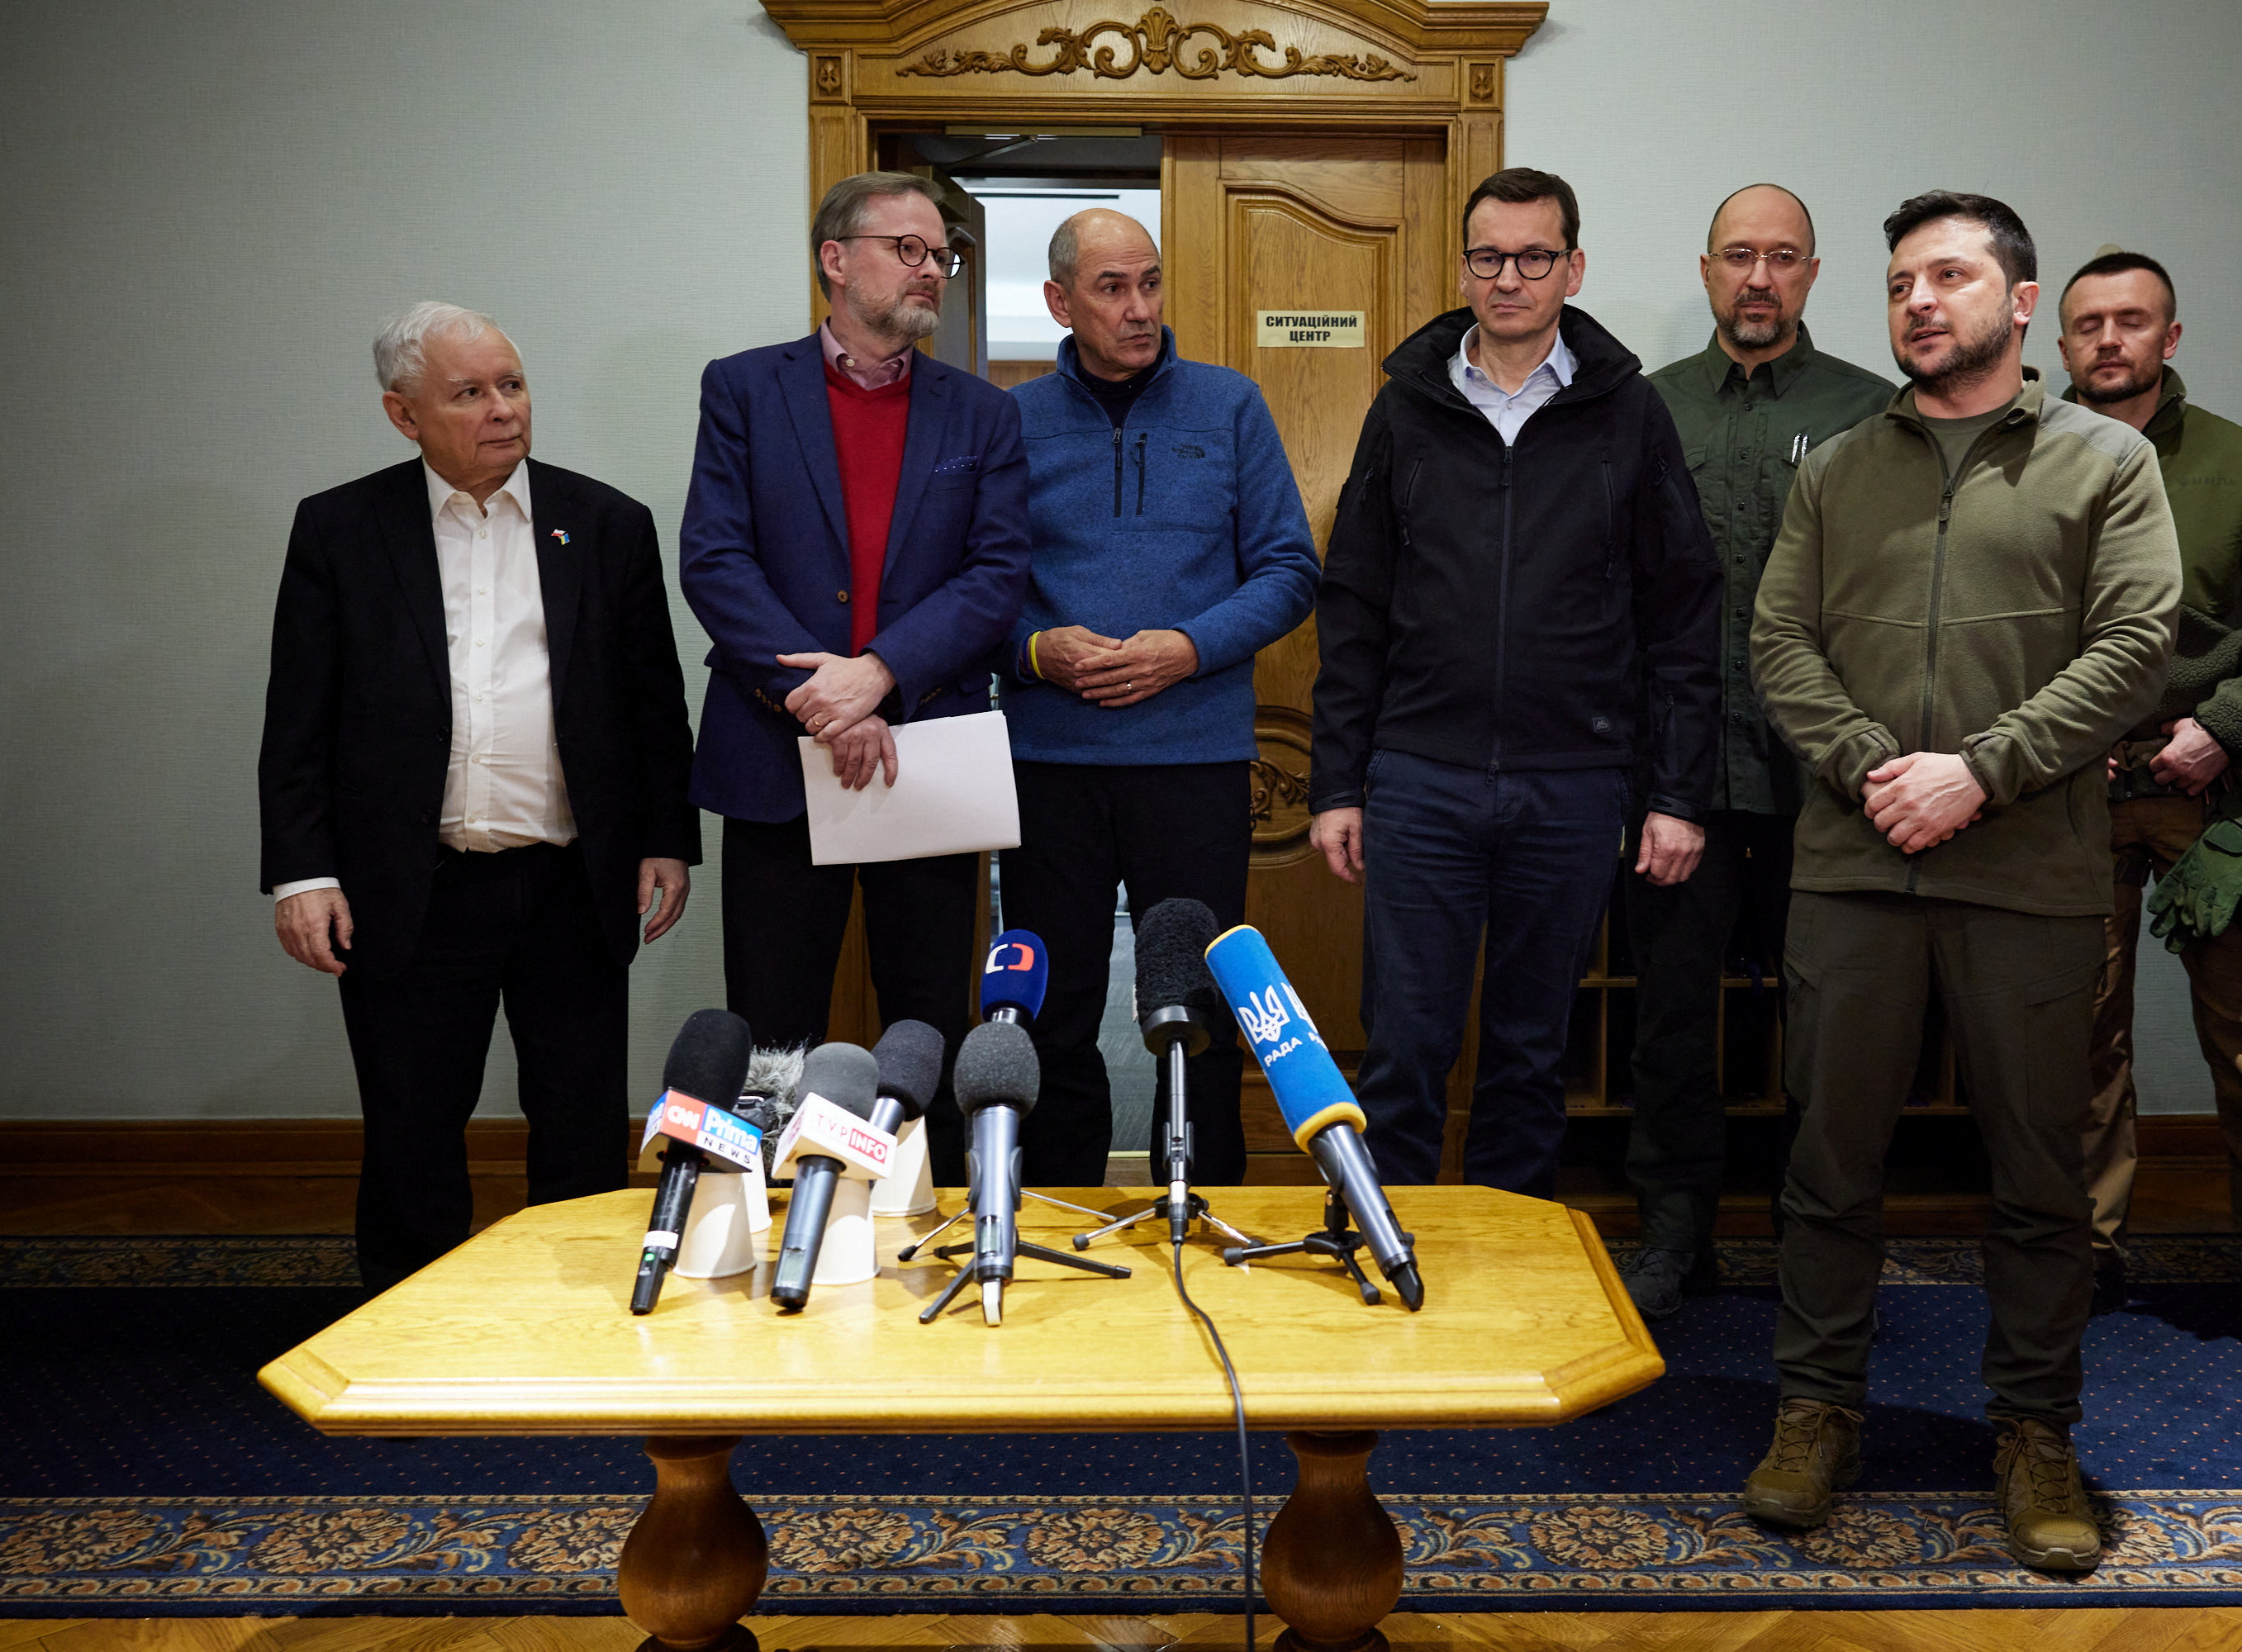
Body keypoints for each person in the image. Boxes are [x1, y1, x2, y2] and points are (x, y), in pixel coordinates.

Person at [1742, 193, 2180, 1573]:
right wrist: (1883, 767)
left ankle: (2037, 1433)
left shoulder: (2106, 461)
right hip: (1854, 869)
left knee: (2040, 1177)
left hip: (2030, 875)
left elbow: (2137, 648)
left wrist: (1979, 773)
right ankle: (1817, 1410)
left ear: (2020, 299)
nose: (1918, 302)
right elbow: (1778, 640)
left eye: (1947, 276)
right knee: (1826, 1162)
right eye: (1897, 284)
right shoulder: (1838, 468)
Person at [259, 302, 701, 1294]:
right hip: (408, 885)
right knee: (413, 1124)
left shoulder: (606, 523)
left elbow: (651, 704)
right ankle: (409, 1327)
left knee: (583, 1120)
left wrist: (666, 839)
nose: (503, 409)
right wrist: (302, 870)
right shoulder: (341, 529)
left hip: (570, 882)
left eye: (512, 383)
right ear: (403, 414)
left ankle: (584, 1321)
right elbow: (299, 717)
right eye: (470, 393)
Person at [1310, 167, 1720, 1197]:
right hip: (1420, 778)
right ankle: (1388, 1247)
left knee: (1533, 1056)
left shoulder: (1630, 415)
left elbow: (1682, 611)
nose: (1509, 279)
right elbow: (1353, 604)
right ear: (1464, 265)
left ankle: (1510, 1285)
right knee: (1403, 1048)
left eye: (1535, 258)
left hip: (1573, 783)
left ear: (1571, 269)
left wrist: (1674, 793)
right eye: (1489, 257)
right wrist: (1337, 782)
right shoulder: (1406, 408)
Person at [678, 172, 1029, 1178]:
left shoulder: (981, 415)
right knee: (772, 1029)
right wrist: (818, 698)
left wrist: (877, 675)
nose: (931, 270)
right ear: (837, 260)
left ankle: (928, 1217)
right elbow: (715, 558)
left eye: (941, 255)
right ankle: (757, 1219)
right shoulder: (745, 386)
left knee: (927, 1019)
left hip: (924, 754)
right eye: (907, 249)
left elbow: (996, 575)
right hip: (775, 753)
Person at [2054, 249, 2242, 1379]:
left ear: (2170, 336)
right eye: (2091, 324)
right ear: (2063, 342)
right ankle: (2082, 1251)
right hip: (2075, 794)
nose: (2112, 340)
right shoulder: (2028, 460)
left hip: (2218, 793)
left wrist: (2223, 729)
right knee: (2076, 1042)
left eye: (2134, 321)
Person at [998, 210, 1318, 1188]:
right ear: (1060, 300)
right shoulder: (1008, 421)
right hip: (1048, 764)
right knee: (1053, 1014)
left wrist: (1189, 647)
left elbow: (1289, 568)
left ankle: (1206, 1205)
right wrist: (1034, 649)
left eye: (1149, 283)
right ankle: (1052, 1211)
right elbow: (976, 581)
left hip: (1194, 760)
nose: (1139, 309)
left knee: (1206, 1010)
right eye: (1111, 288)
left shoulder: (1229, 406)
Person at [1623, 184, 1893, 1319]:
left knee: (1827, 1027)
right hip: (1679, 775)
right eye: (1740, 256)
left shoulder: (1872, 410)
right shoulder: (1647, 408)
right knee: (1670, 1017)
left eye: (1783, 257)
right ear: (1706, 270)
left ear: (1812, 274)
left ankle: (1814, 1239)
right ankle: (1674, 1234)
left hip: (1824, 779)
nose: (1759, 278)